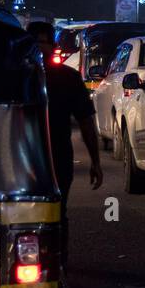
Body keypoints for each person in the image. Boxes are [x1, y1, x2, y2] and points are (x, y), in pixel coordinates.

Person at [27, 21, 103, 266]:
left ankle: (56, 263)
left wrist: (96, 161)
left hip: (56, 157)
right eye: (35, 42)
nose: (40, 48)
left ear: (53, 45)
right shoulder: (13, 76)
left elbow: (86, 122)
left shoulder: (67, 78)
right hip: (22, 158)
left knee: (56, 214)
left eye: (43, 42)